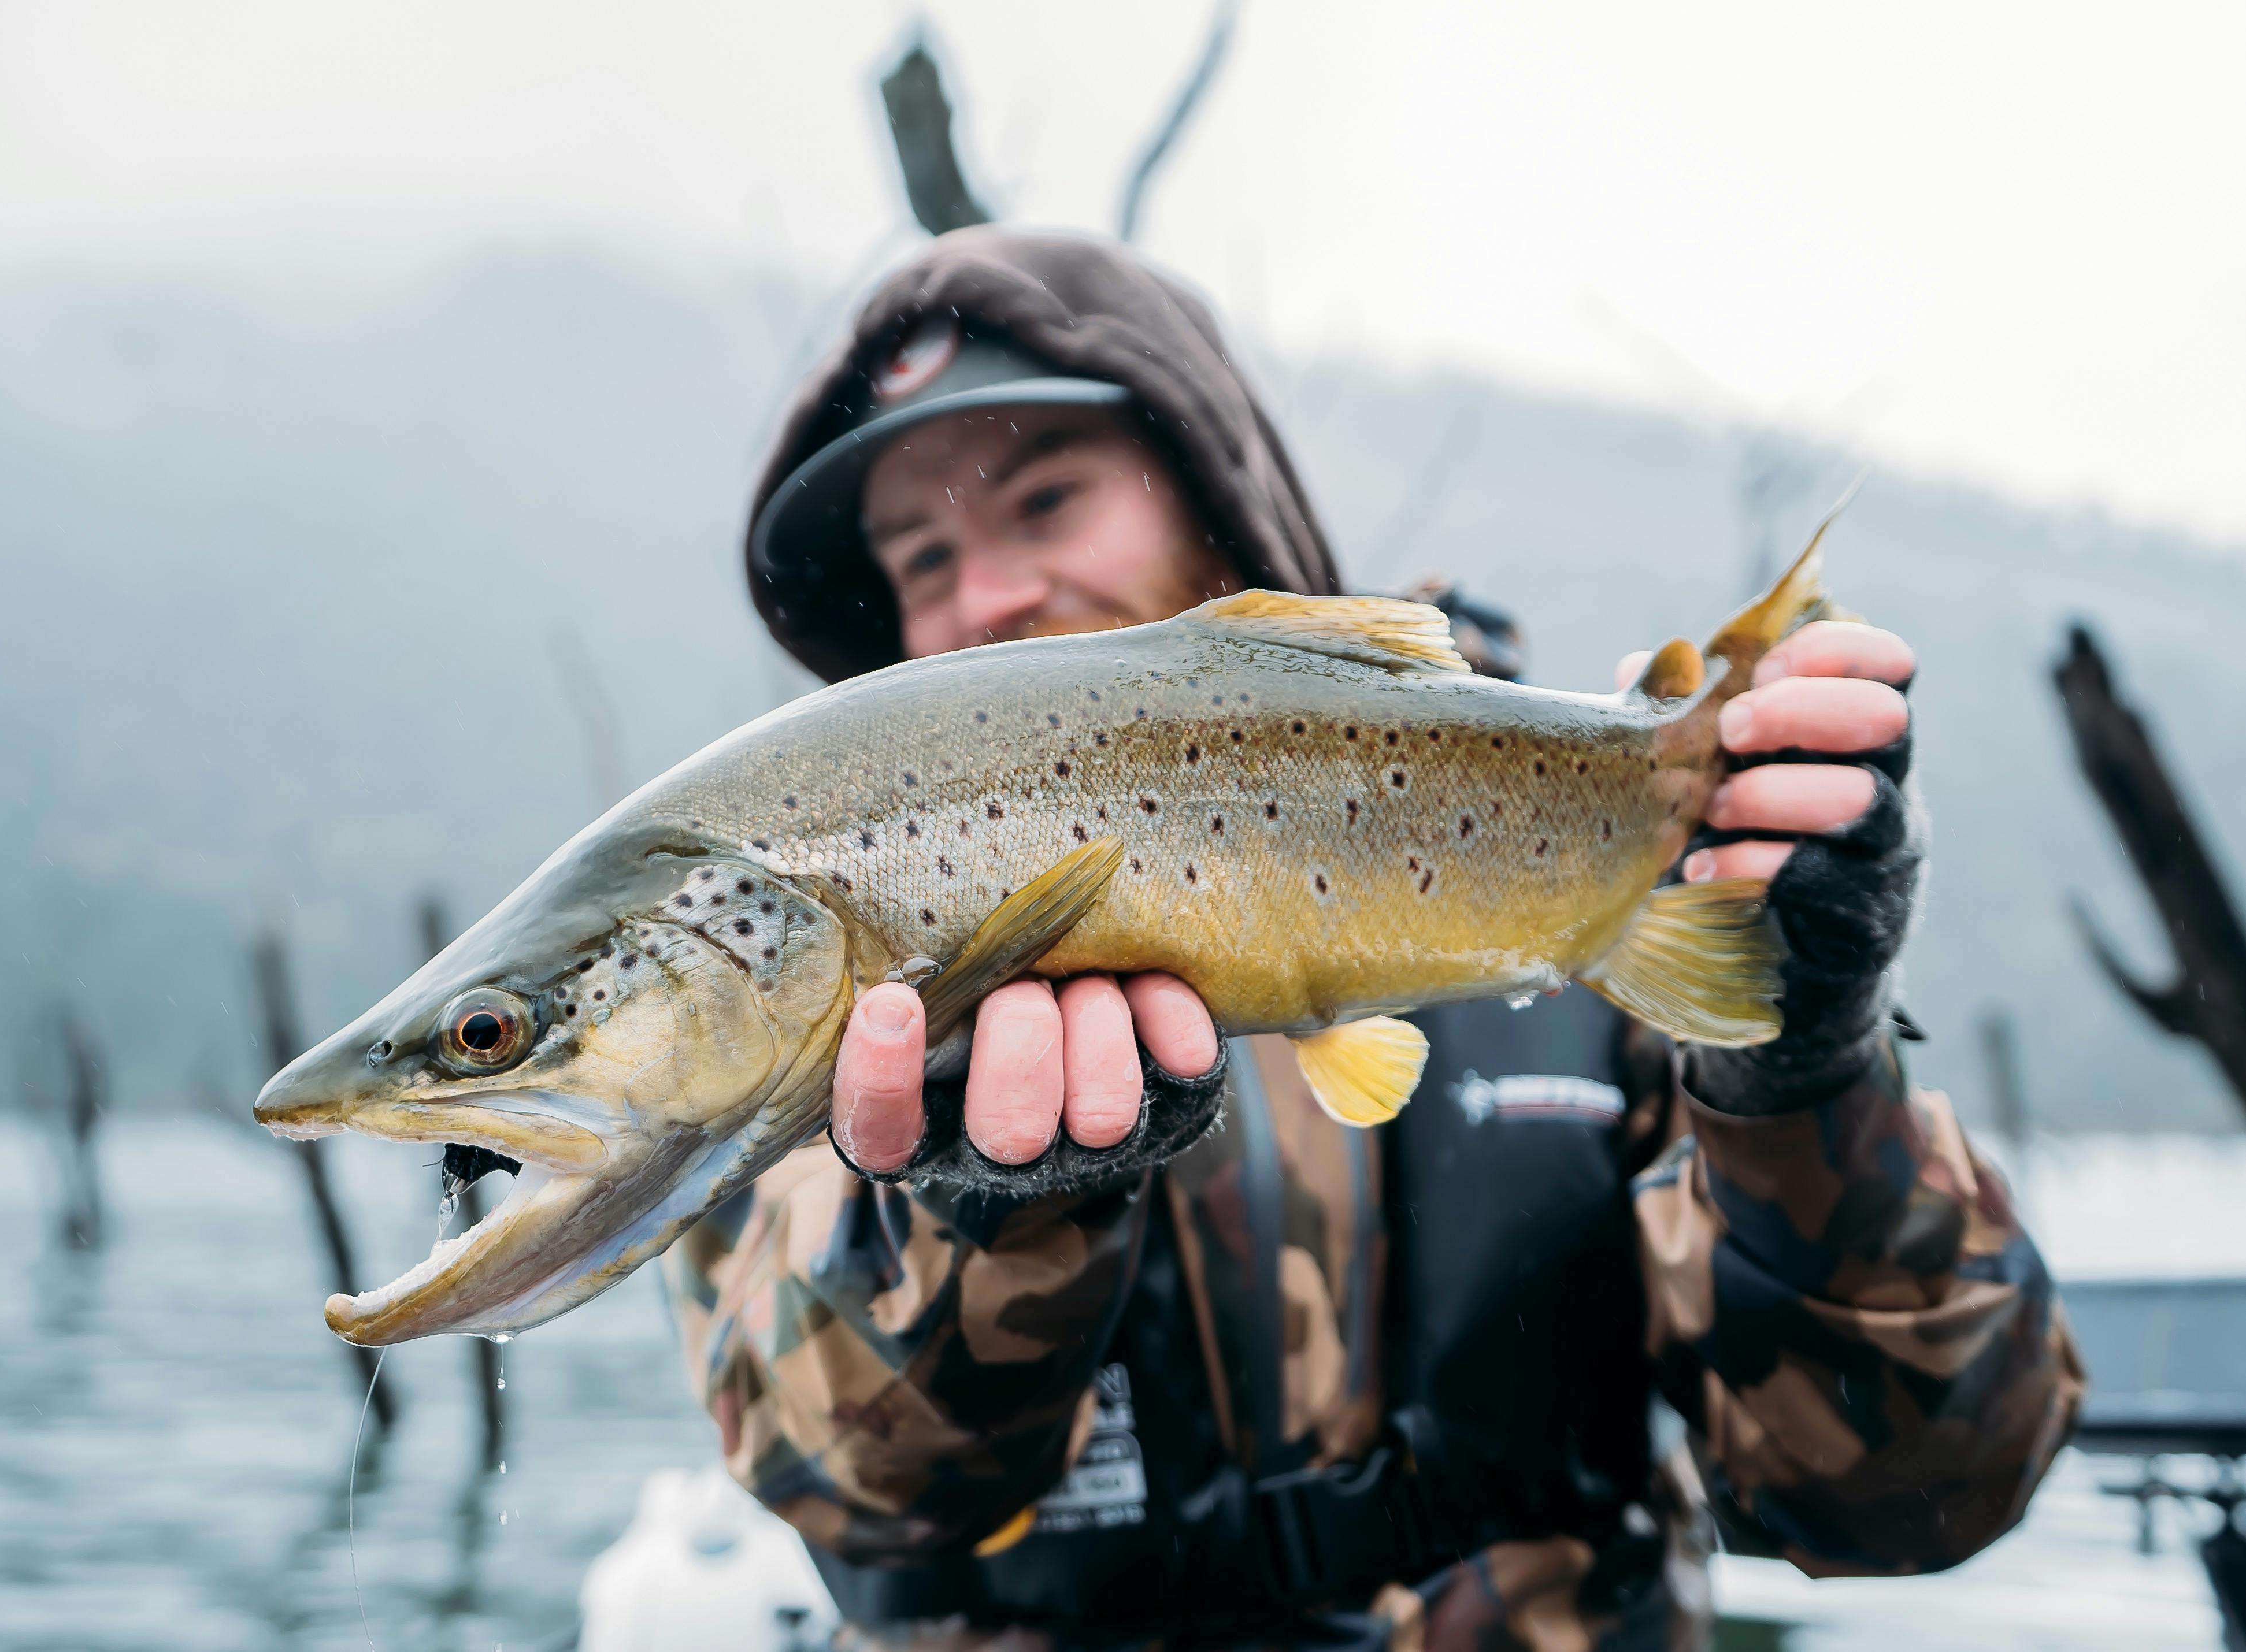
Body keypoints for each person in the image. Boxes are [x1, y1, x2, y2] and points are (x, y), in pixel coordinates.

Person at [666, 228, 2082, 1651]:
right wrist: (985, 1210)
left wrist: (1806, 1071)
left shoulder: (1591, 905)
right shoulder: (802, 1001)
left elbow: (1931, 1490)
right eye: (923, 556)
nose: (988, 596)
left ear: (1222, 501)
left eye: (1043, 501)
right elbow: (848, 1485)